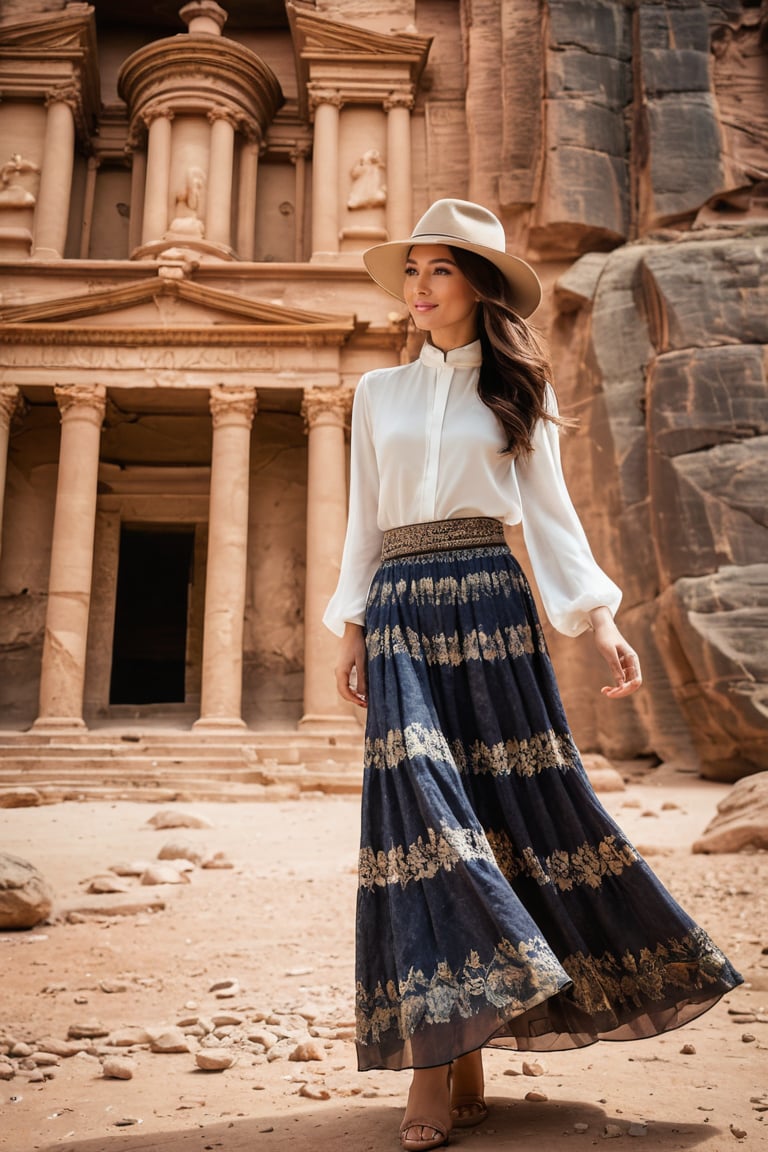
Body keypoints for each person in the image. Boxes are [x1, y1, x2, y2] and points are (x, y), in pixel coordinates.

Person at [322, 200, 742, 1152]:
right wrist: (349, 625)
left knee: (510, 819)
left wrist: (601, 620)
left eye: (438, 270)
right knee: (424, 821)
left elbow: (550, 518)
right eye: (413, 270)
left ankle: (461, 1055)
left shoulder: (520, 392)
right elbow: (365, 518)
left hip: (492, 608)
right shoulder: (377, 394)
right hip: (401, 611)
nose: (418, 288)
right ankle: (438, 1059)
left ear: (477, 285)